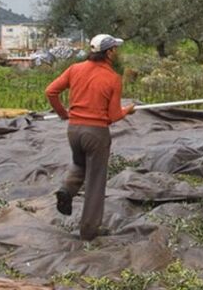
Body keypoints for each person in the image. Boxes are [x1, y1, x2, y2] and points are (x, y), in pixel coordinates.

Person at [45, 33, 135, 240]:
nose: (116, 52)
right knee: (96, 180)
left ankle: (67, 190)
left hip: (74, 130)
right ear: (109, 52)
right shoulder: (112, 78)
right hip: (96, 134)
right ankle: (89, 230)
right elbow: (112, 116)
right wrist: (127, 110)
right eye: (114, 49)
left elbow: (51, 91)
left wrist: (63, 114)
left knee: (79, 163)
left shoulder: (75, 69)